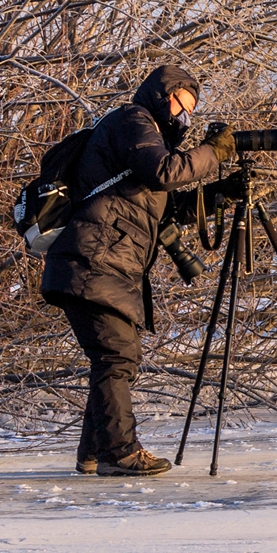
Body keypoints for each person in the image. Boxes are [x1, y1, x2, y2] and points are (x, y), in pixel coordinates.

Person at [40, 64, 240, 476]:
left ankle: (95, 452)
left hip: (102, 263)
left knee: (117, 357)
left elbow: (163, 205)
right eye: (183, 104)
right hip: (92, 260)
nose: (186, 116)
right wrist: (215, 152)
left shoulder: (142, 140)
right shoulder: (133, 121)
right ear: (162, 94)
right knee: (115, 356)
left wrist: (219, 192)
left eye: (192, 110)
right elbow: (165, 173)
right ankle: (120, 454)